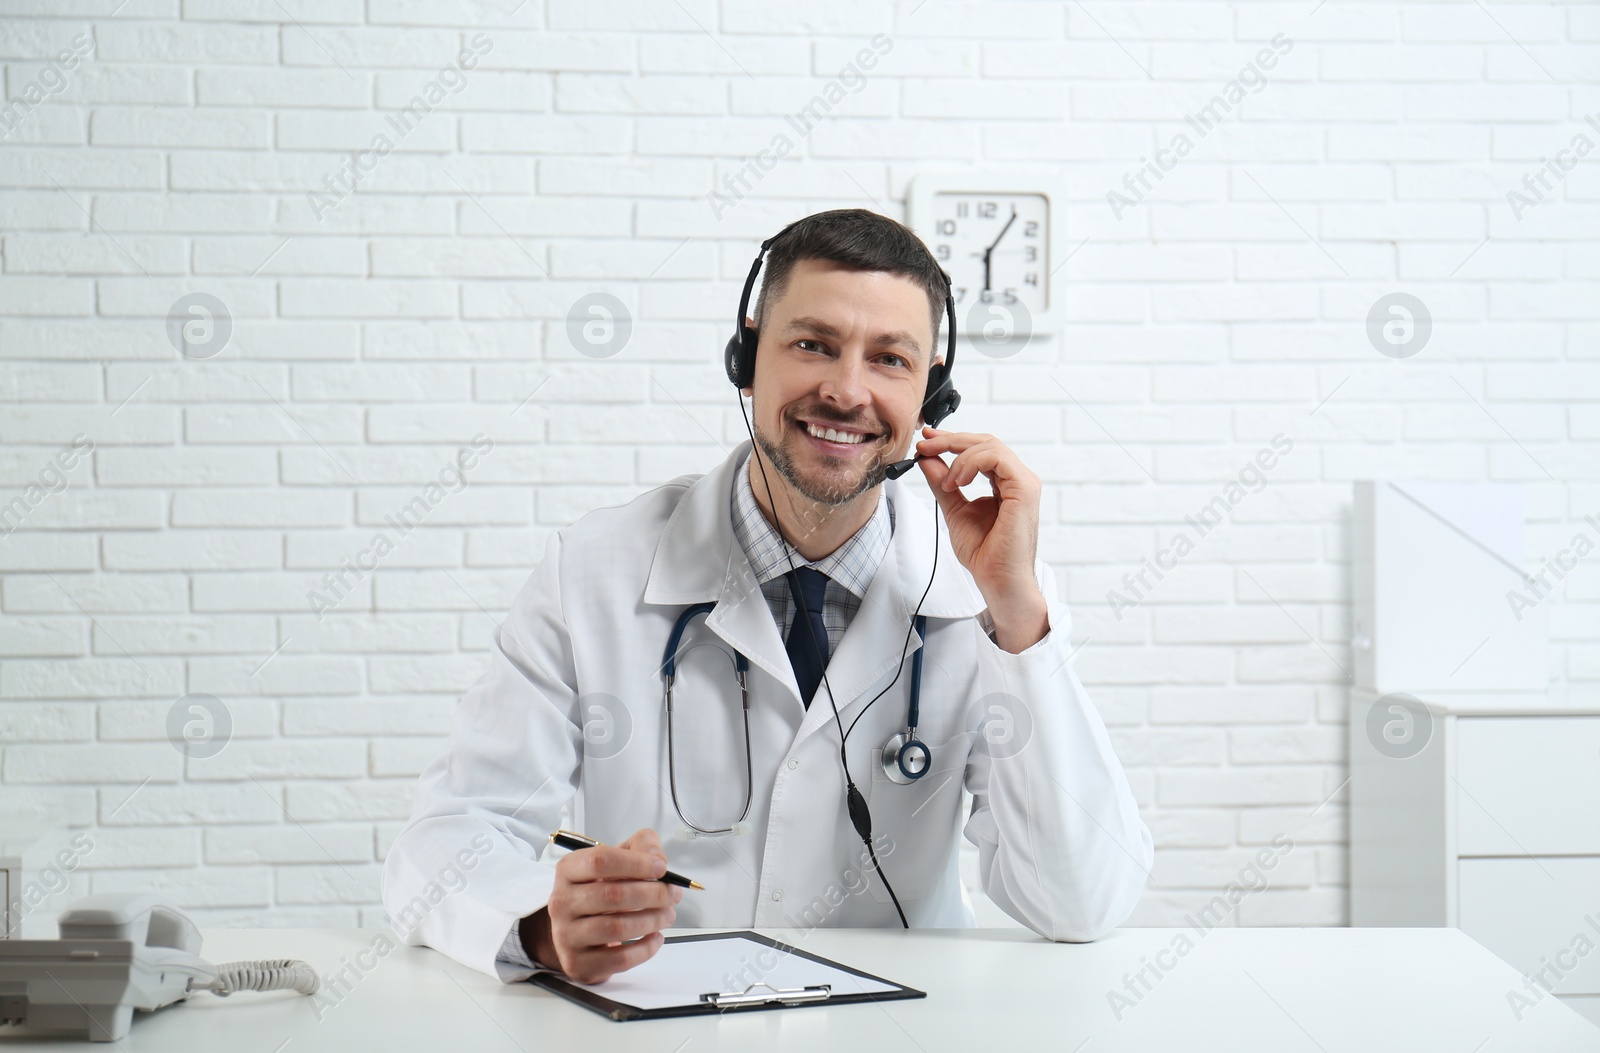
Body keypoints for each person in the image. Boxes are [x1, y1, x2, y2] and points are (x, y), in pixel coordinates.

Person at [381, 208, 1152, 985]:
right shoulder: (595, 569)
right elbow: (445, 838)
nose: (847, 390)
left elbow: (1080, 900)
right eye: (812, 344)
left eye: (889, 359)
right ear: (747, 358)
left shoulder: (986, 593)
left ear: (931, 399)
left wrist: (1018, 618)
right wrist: (540, 926)